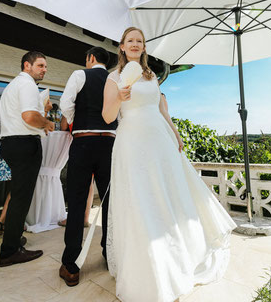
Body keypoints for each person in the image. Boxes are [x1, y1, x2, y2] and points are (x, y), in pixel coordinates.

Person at [101, 27, 236, 302]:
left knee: (167, 195)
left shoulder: (151, 76)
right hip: (132, 141)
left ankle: (177, 254)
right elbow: (107, 117)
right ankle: (147, 268)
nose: (136, 44)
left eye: (139, 41)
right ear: (122, 46)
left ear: (144, 46)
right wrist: (119, 97)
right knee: (140, 199)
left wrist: (174, 133)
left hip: (159, 140)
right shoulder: (113, 77)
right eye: (131, 41)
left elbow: (162, 110)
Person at [58, 46, 117, 286]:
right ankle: (108, 254)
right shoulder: (116, 80)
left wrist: (76, 121)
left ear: (91, 59)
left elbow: (65, 103)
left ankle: (71, 266)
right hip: (110, 145)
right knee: (110, 201)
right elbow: (120, 113)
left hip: (83, 141)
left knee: (77, 199)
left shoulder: (79, 74)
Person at [0, 51, 54, 267]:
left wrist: (43, 109)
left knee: (18, 195)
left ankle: (12, 238)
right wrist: (47, 123)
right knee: (21, 198)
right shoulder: (28, 84)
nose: (44, 69)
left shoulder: (14, 85)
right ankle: (10, 251)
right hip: (24, 144)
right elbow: (29, 117)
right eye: (40, 65)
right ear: (27, 65)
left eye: (45, 66)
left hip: (11, 143)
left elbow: (25, 114)